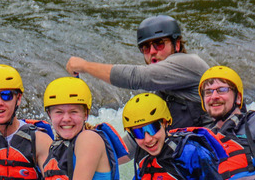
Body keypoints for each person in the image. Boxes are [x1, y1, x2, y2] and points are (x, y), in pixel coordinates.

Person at [65, 14, 211, 136]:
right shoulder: (161, 90)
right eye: (146, 47)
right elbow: (136, 142)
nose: (152, 51)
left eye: (159, 44)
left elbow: (137, 77)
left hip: (217, 157)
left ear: (177, 45)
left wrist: (84, 66)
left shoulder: (189, 63)